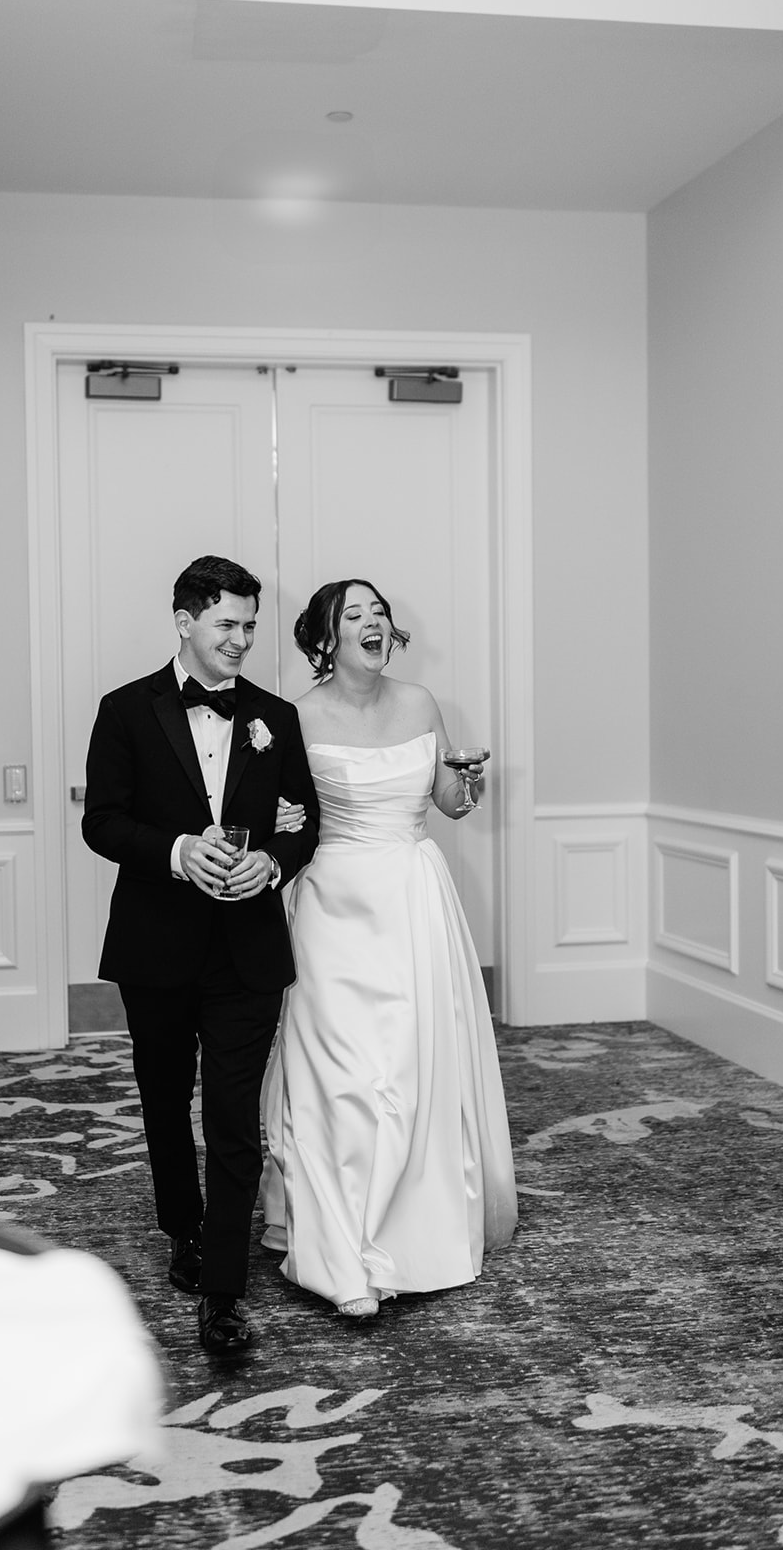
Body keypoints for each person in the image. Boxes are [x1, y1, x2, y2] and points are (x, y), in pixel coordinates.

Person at [81, 555, 320, 1354]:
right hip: (155, 944)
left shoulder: (275, 716)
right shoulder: (124, 710)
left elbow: (304, 821)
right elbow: (103, 823)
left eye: (250, 625)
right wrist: (180, 850)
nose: (242, 640)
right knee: (162, 1099)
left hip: (248, 950)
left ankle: (223, 1290)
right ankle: (181, 1229)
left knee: (233, 1117)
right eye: (228, 624)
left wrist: (274, 863)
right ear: (184, 621)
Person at [261, 578, 518, 1318]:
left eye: (380, 613)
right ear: (327, 637)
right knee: (339, 1070)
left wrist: (467, 785)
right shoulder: (298, 716)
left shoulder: (421, 704)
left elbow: (445, 802)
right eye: (356, 615)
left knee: (410, 1062)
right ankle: (338, 1242)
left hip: (412, 896)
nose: (373, 623)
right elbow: (287, 816)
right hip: (335, 904)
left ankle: (410, 1228)